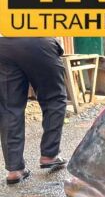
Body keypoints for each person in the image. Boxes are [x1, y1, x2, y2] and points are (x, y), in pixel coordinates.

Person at [0, 38, 68, 185]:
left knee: (9, 108)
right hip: (38, 39)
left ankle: (14, 170)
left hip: (3, 43)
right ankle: (49, 155)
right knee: (54, 98)